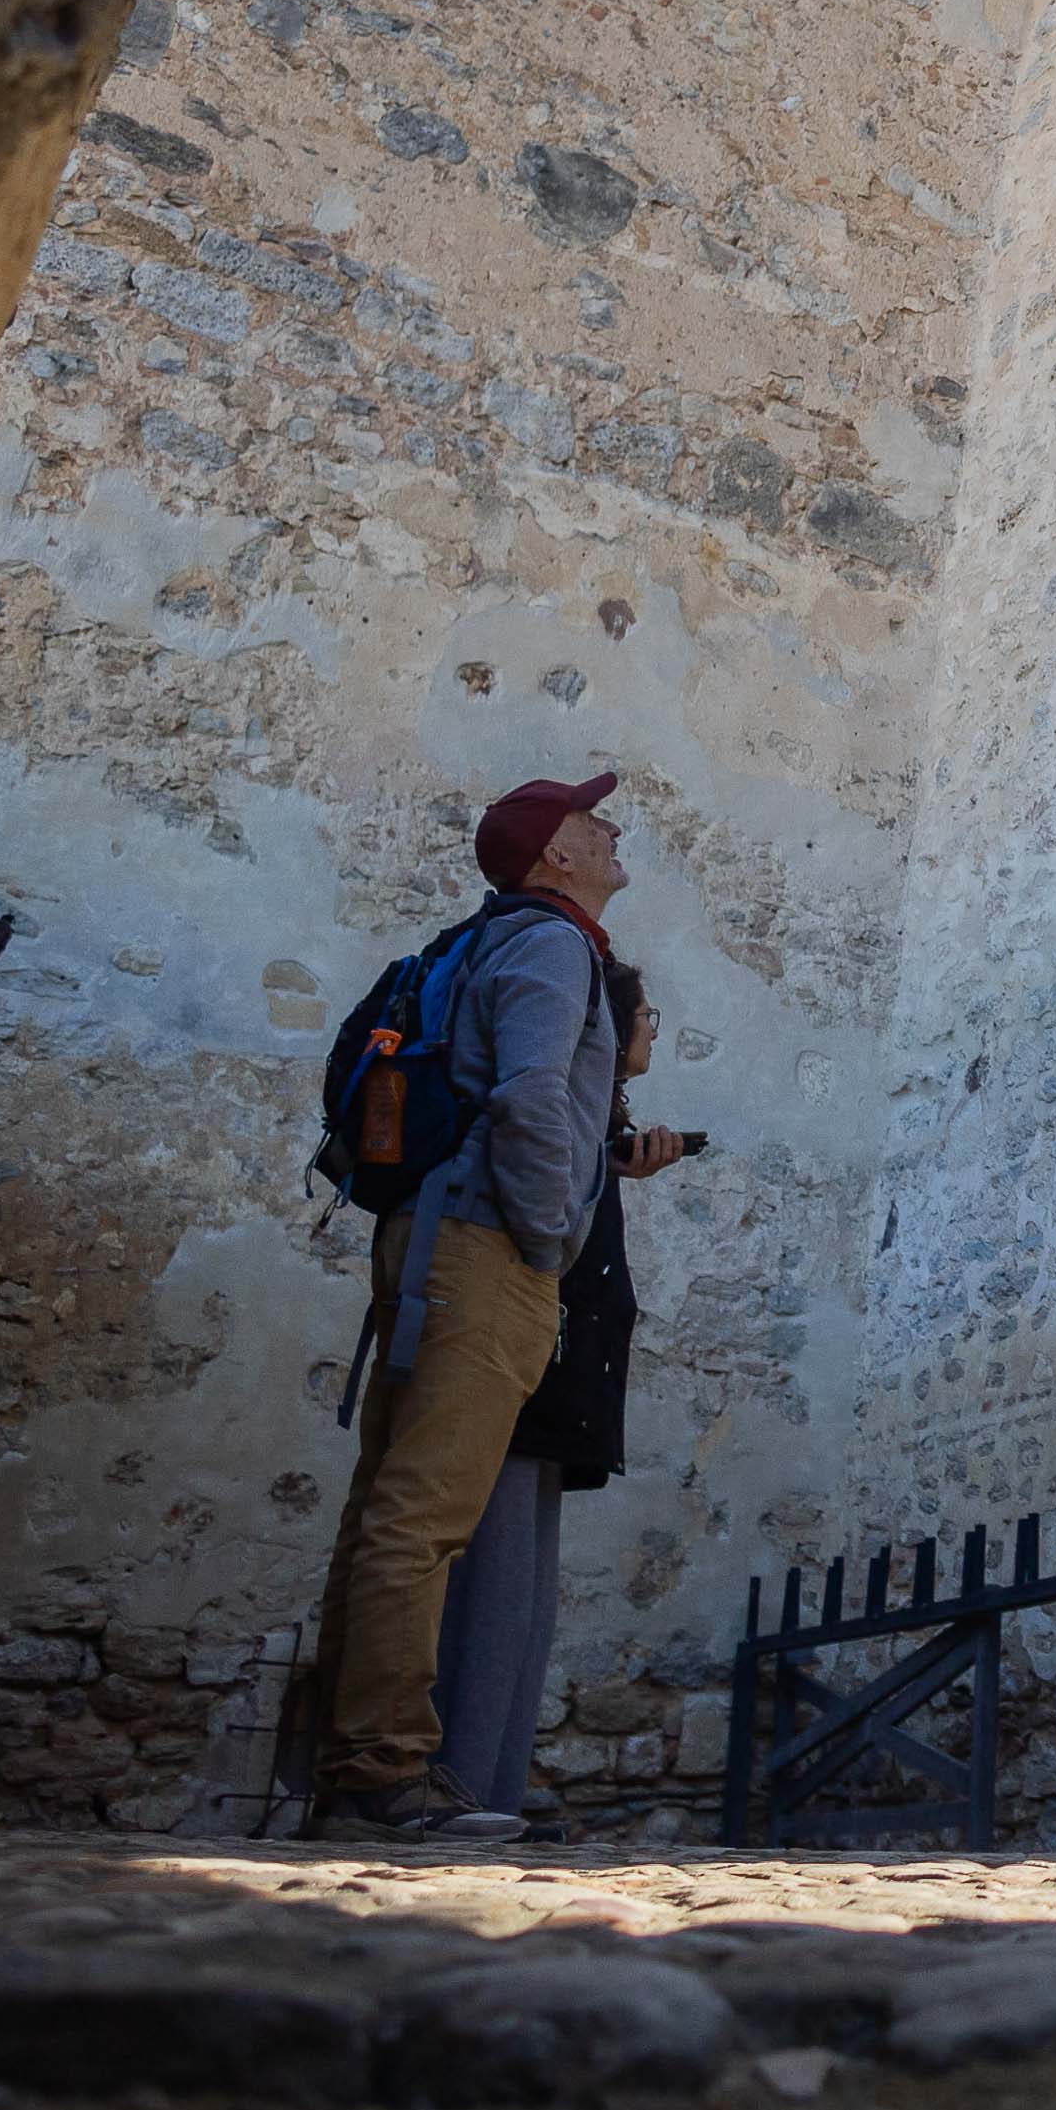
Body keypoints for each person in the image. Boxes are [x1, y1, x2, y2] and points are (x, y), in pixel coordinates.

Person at [306, 771, 635, 1841]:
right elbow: (533, 1096)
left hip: (435, 1234)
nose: (611, 829)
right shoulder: (551, 943)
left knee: (386, 1512)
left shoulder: (498, 937)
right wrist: (545, 1239)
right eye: (592, 822)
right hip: (487, 1248)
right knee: (424, 1516)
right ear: (557, 857)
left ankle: (355, 1770)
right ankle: (389, 1773)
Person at [428, 959, 682, 1822]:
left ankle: (485, 1788)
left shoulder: (593, 1126)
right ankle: (459, 1786)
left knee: (522, 1581)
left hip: (562, 1362)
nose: (651, 1028)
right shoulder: (562, 1106)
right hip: (535, 1350)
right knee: (494, 1578)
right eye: (644, 1014)